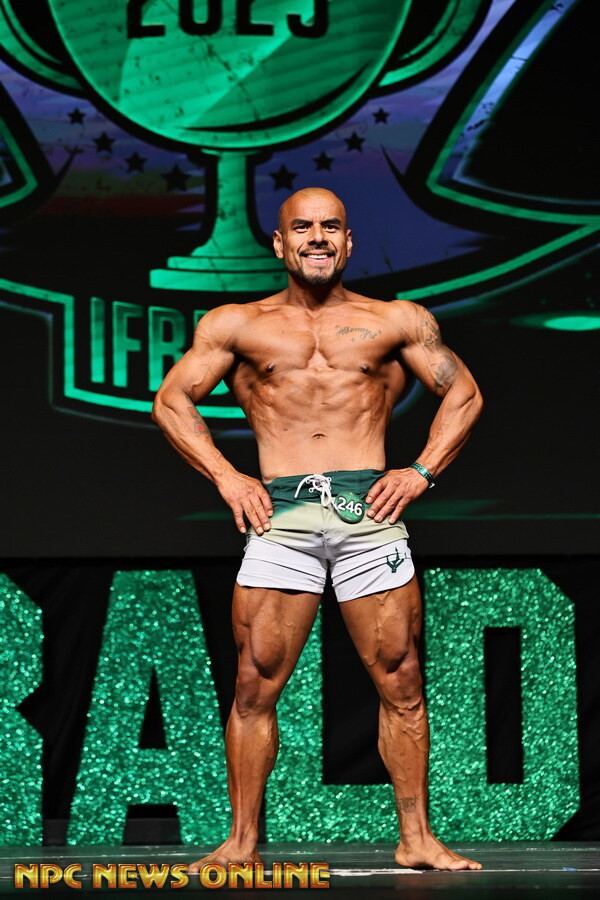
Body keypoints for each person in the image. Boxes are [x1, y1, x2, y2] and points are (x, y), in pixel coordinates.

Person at [151, 188, 483, 871]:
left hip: (369, 515)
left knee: (401, 679)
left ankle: (417, 839)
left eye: (332, 226)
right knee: (254, 685)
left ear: (350, 241)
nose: (318, 237)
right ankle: (241, 842)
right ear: (279, 243)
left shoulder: (395, 320)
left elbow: (465, 392)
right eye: (302, 227)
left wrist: (420, 471)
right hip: (282, 516)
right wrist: (227, 478)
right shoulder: (237, 325)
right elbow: (172, 399)